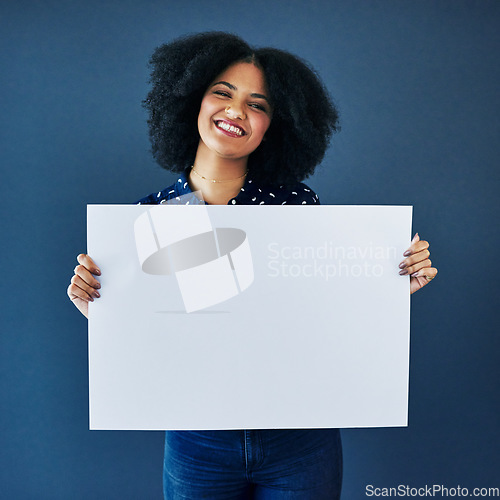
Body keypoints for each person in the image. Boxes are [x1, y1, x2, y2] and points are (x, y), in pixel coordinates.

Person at [67, 32, 437, 499]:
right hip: (197, 441)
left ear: (273, 127)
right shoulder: (147, 219)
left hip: (300, 437)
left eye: (257, 105)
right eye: (222, 92)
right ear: (191, 101)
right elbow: (153, 336)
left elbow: (323, 317)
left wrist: (387, 289)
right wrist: (101, 308)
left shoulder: (296, 206)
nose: (236, 111)